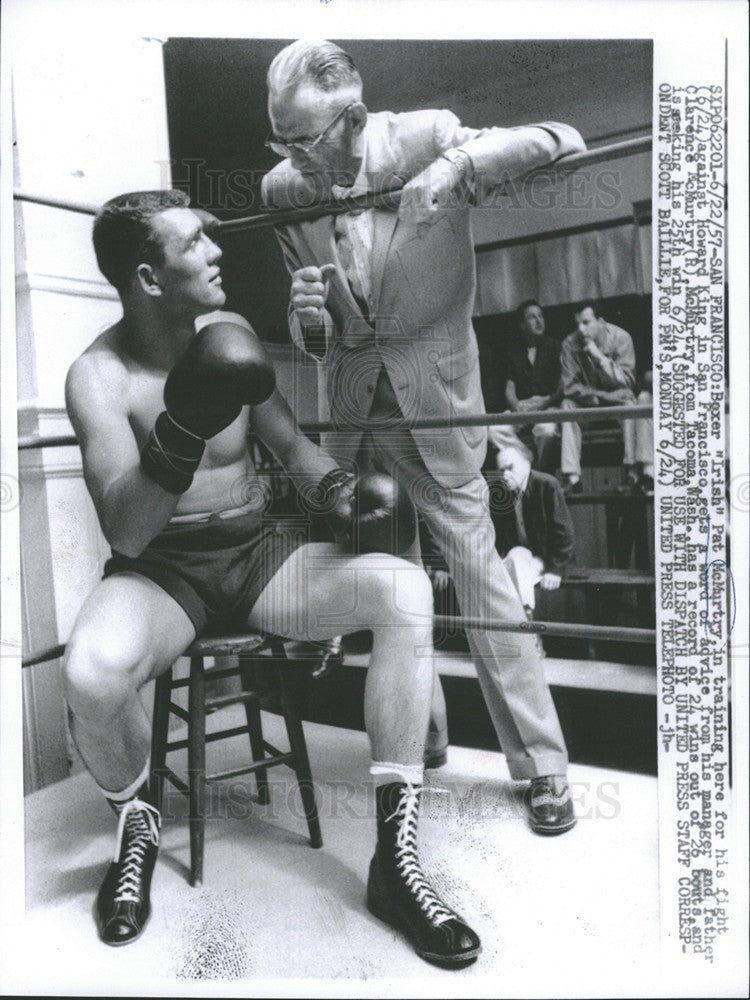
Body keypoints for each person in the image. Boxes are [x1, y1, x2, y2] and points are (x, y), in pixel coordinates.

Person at [62, 189, 481, 966]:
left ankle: (398, 862)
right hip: (163, 573)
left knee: (405, 590)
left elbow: (290, 447)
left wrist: (339, 492)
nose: (219, 253)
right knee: (90, 673)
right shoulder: (98, 377)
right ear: (150, 277)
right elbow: (127, 528)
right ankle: (136, 829)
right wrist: (183, 426)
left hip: (261, 552)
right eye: (196, 244)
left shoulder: (232, 334)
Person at [261, 39, 584, 835]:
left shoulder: (427, 137)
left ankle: (543, 768)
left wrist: (459, 169)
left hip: (436, 407)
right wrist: (305, 319)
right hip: (354, 416)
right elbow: (318, 331)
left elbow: (564, 143)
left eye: (305, 141)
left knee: (484, 588)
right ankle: (424, 738)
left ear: (356, 119)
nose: (294, 161)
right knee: (394, 585)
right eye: (282, 142)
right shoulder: (282, 188)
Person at [559, 300, 654, 495]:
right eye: (577, 324)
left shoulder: (621, 338)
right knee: (567, 404)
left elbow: (627, 384)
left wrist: (599, 357)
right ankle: (573, 478)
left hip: (618, 407)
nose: (581, 329)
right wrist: (605, 396)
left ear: (600, 321)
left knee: (630, 405)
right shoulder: (570, 344)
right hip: (589, 405)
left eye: (586, 322)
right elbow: (569, 387)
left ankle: (631, 474)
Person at [488, 441, 574, 618]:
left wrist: (555, 570)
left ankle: (527, 622)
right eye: (501, 470)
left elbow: (564, 532)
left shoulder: (547, 485)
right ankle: (527, 621)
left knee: (516, 563)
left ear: (527, 464)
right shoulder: (500, 493)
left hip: (547, 557)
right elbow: (497, 536)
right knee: (511, 563)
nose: (505, 475)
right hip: (520, 556)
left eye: (510, 467)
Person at [494, 299, 562, 474]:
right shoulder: (513, 351)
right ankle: (528, 456)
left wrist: (544, 404)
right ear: (522, 325)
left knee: (545, 431)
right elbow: (509, 387)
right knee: (494, 429)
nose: (539, 321)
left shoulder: (555, 347)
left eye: (541, 316)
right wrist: (515, 405)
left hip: (548, 405)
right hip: (524, 407)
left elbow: (562, 388)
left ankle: (540, 471)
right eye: (532, 317)